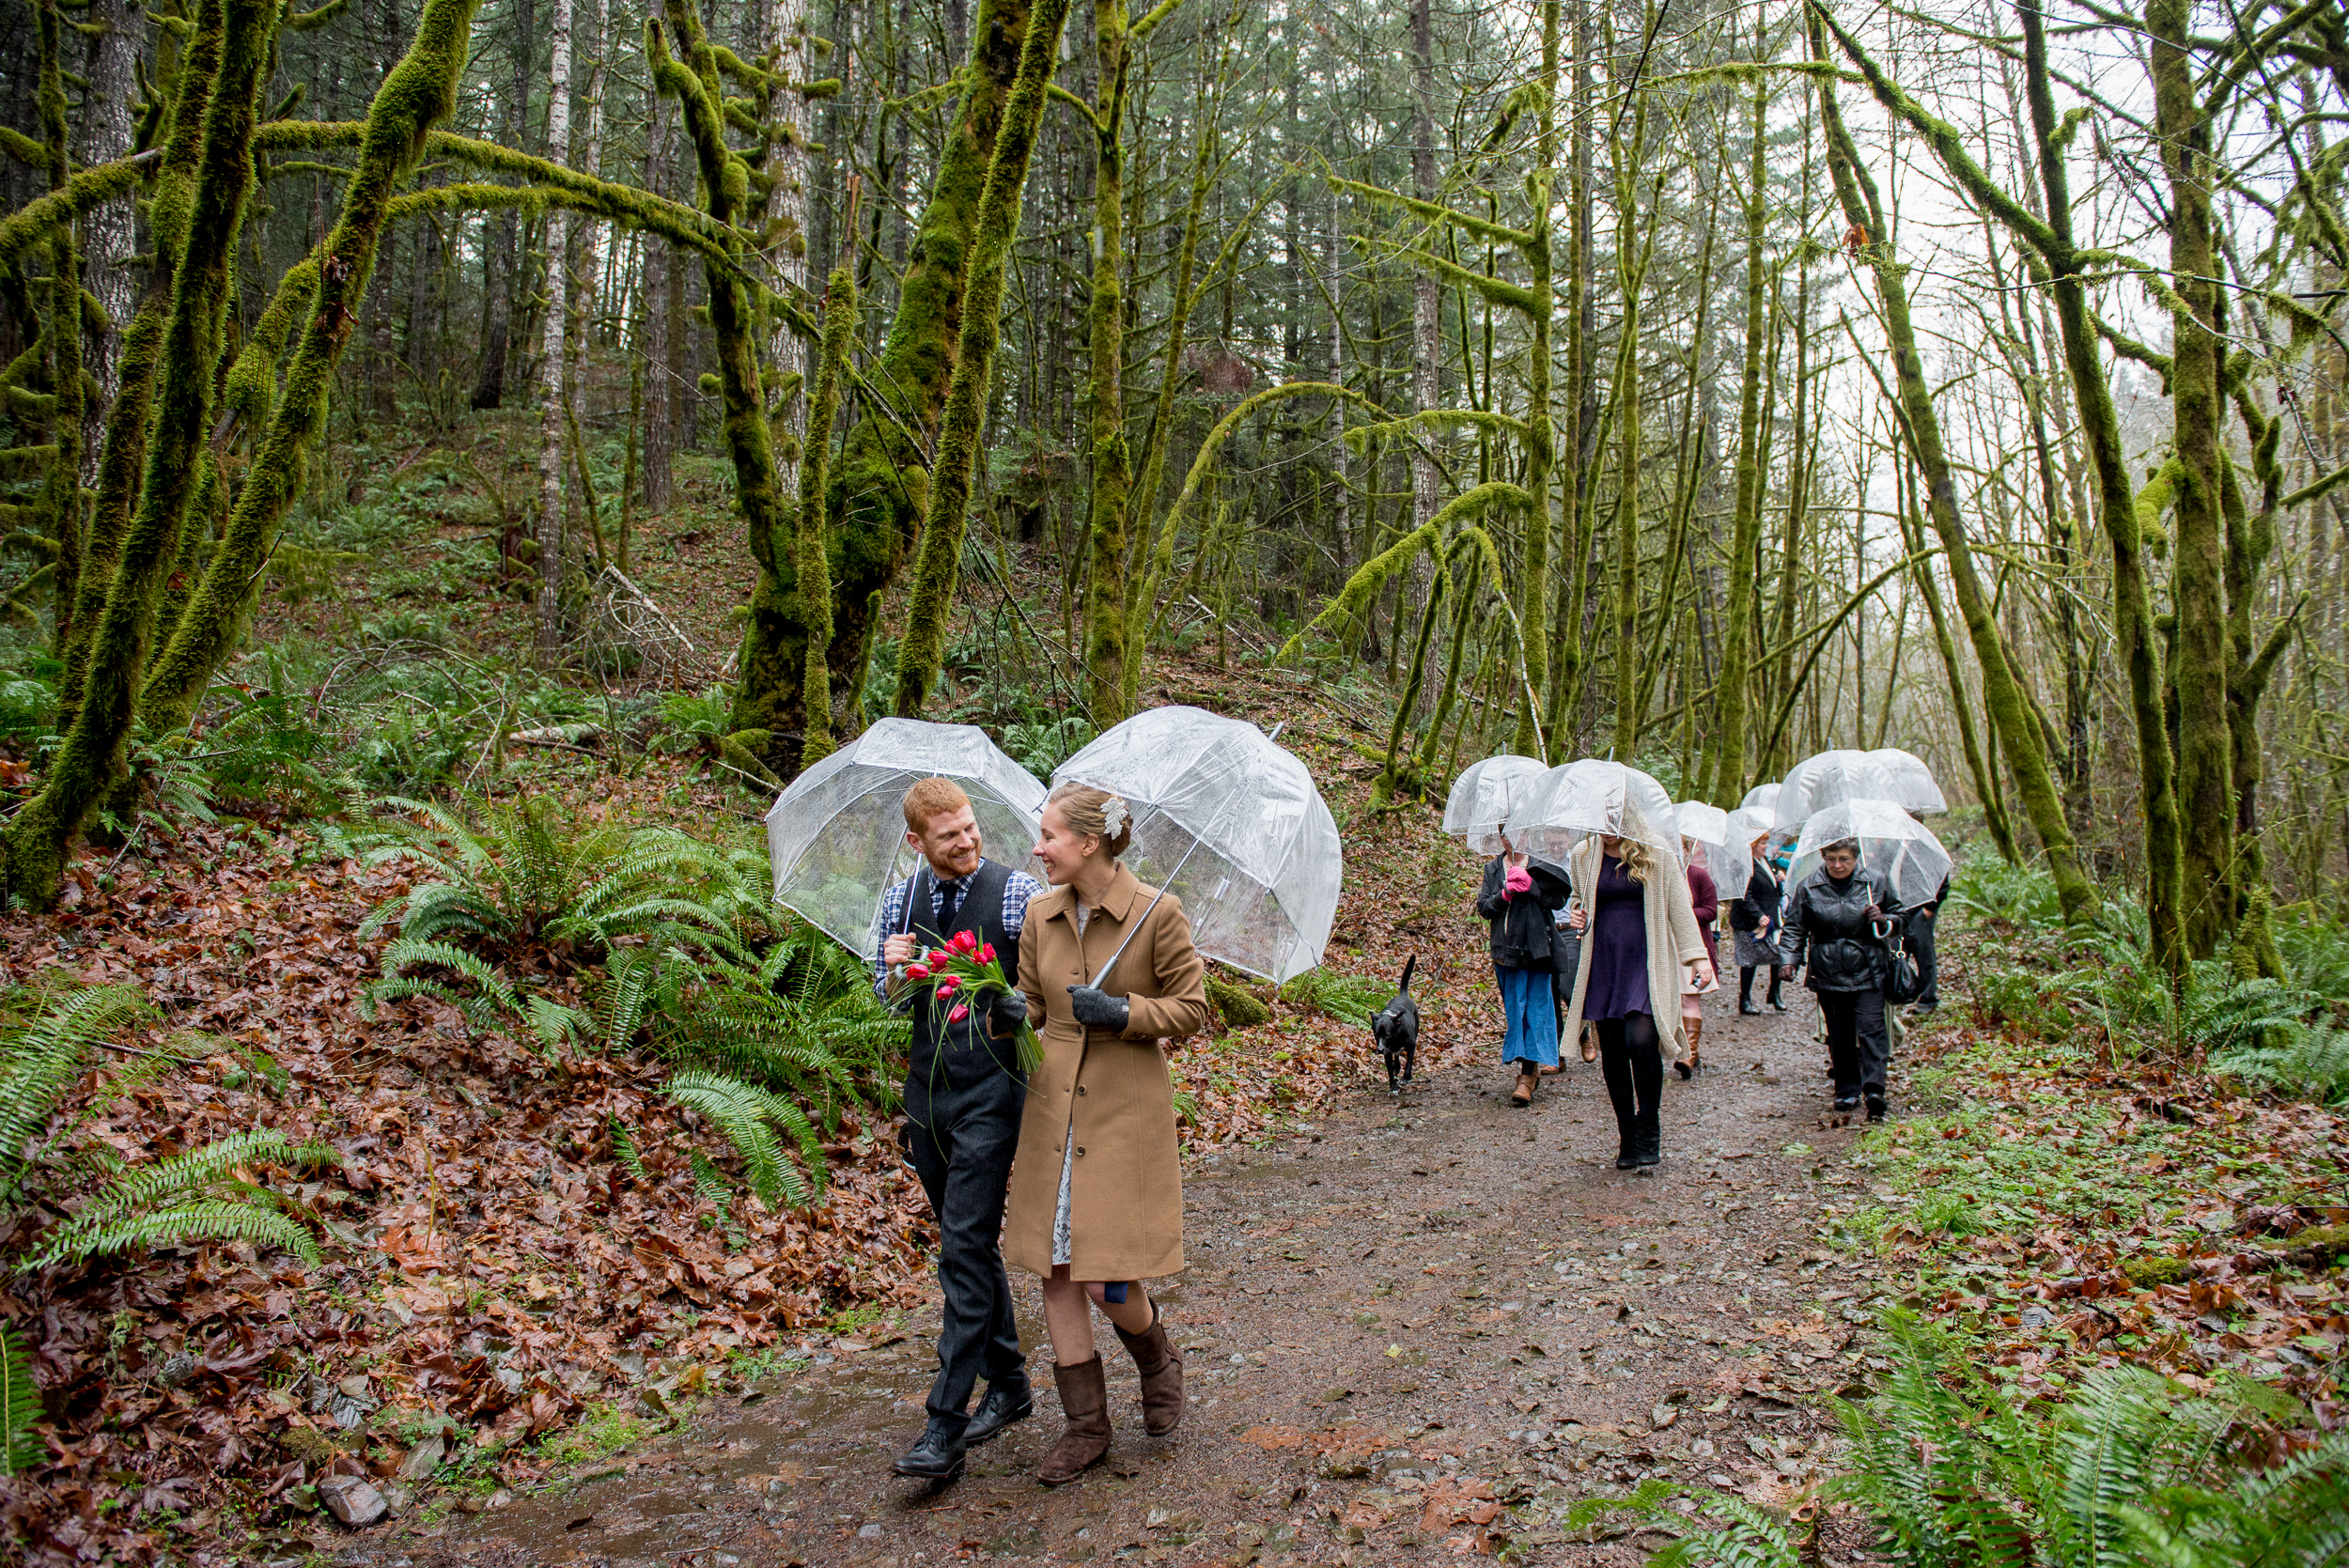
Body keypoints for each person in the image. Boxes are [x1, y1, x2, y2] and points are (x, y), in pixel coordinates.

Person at [1006, 783, 1212, 1487]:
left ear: (1089, 842)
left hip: (1123, 1104)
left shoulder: (1158, 913)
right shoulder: (1040, 913)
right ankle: (1086, 1427)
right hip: (1053, 1104)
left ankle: (1156, 1355)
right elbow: (1034, 1004)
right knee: (1056, 1271)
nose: (1038, 847)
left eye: (1049, 835)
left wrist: (1124, 1010)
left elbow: (1191, 1008)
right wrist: (1010, 1009)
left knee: (1102, 1274)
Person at [873, 778, 1050, 1483]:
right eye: (950, 835)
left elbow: (1042, 985)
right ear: (918, 842)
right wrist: (891, 970)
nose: (968, 841)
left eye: (971, 828)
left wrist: (1020, 1005)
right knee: (964, 1239)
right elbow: (885, 1000)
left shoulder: (1014, 892)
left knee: (965, 1243)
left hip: (994, 1088)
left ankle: (943, 1423)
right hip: (926, 1093)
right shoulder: (901, 900)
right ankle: (1009, 1382)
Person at [1559, 823, 1712, 1169]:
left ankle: (1649, 1126)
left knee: (1640, 1040)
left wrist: (1697, 957)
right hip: (1603, 960)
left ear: (1626, 817)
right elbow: (1578, 901)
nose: (1605, 831)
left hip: (1646, 959)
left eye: (1611, 822)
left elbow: (1679, 907)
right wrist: (1577, 912)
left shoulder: (1655, 849)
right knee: (1611, 1051)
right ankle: (1627, 1136)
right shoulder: (1584, 853)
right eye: (1598, 823)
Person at [1777, 835, 1906, 1121]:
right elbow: (1795, 928)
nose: (1837, 865)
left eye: (1844, 859)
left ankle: (1875, 1089)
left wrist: (1884, 920)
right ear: (1823, 857)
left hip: (1870, 967)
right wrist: (1788, 960)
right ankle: (1847, 1090)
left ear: (1856, 857)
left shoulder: (1876, 881)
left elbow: (1901, 918)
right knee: (1840, 1033)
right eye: (1831, 859)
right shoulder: (1809, 887)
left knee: (1872, 1029)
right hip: (1827, 970)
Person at [1475, 837, 1569, 1106]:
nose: (1512, 839)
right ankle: (1532, 1068)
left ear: (1527, 833)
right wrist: (1504, 894)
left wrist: (1532, 887)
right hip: (1505, 953)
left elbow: (1559, 900)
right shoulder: (1493, 869)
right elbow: (1483, 908)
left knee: (1534, 1011)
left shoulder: (1542, 865)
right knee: (1516, 1011)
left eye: (1518, 832)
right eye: (1506, 833)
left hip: (1536, 951)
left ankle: (1526, 1076)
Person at [1728, 825, 1786, 1015]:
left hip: (1771, 919)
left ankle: (1774, 993)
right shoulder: (1743, 865)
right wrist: (1758, 915)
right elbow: (1744, 895)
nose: (1766, 846)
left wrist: (1778, 880)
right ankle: (1745, 999)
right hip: (1749, 922)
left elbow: (1773, 890)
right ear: (1753, 844)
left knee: (1779, 954)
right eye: (1763, 842)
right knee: (1749, 961)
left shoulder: (1766, 861)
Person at [1677, 836, 1720, 1079]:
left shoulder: (1698, 876)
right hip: (1667, 952)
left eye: (1679, 848)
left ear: (1687, 850)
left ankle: (1689, 1054)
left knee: (1689, 999)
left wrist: (1681, 914)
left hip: (1694, 952)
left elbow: (1711, 910)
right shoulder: (1658, 877)